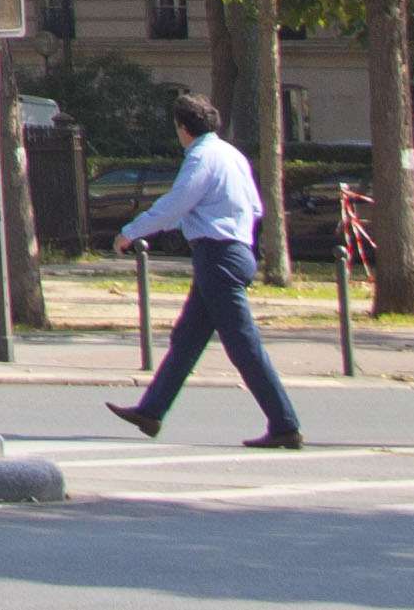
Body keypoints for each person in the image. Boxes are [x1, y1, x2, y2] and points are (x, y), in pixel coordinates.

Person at [109, 91, 302, 448]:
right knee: (188, 338)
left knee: (244, 345)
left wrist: (129, 233)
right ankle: (151, 411)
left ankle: (285, 423)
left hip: (217, 257)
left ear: (183, 128)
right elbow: (256, 207)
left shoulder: (200, 158)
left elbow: (174, 206)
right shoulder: (232, 155)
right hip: (237, 250)